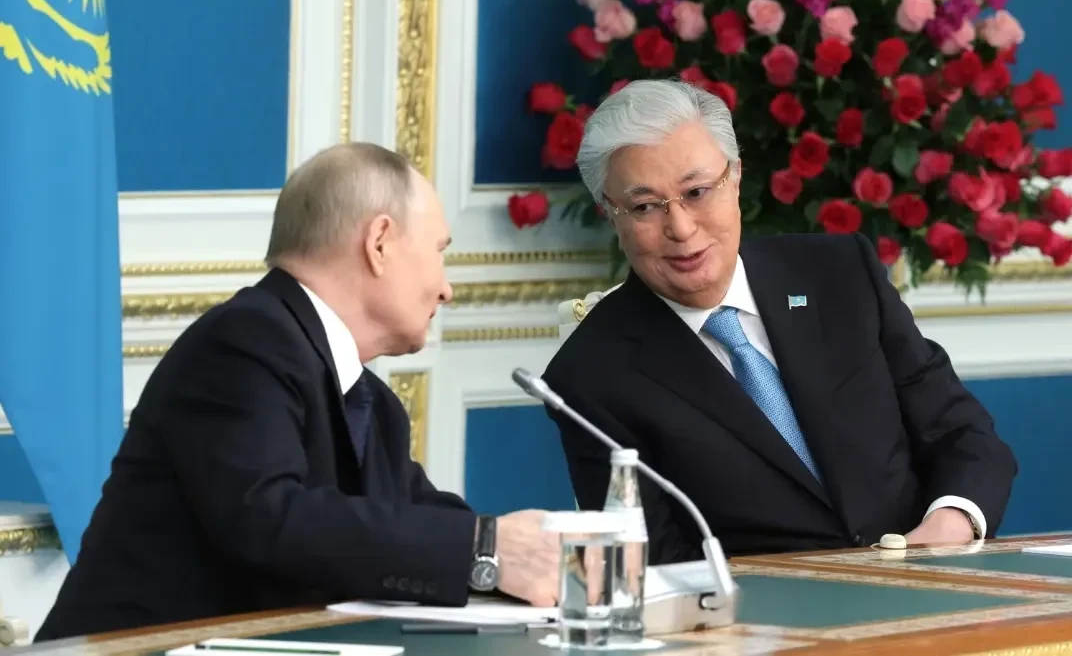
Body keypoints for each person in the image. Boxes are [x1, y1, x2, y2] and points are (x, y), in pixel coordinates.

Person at [36, 143, 559, 641]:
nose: (447, 288)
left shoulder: (371, 401)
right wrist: (483, 548)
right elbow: (269, 518)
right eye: (439, 252)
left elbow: (413, 520)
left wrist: (546, 553)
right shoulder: (243, 341)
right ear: (379, 242)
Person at [542, 80, 1018, 563]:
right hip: (762, 608)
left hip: (930, 580)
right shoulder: (591, 375)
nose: (681, 229)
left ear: (736, 177)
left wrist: (949, 525)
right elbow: (654, 563)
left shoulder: (840, 273)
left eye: (697, 192)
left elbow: (960, 432)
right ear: (610, 214)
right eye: (644, 206)